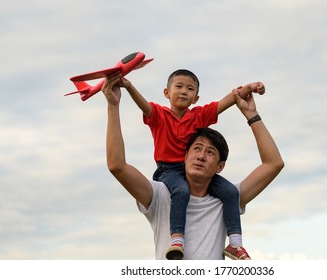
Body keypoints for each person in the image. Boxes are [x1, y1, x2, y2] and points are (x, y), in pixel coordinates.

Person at [103, 73, 284, 260]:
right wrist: (113, 105)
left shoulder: (226, 198)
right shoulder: (160, 195)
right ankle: (177, 239)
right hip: (167, 174)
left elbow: (274, 164)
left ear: (220, 166)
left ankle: (236, 245)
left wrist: (252, 114)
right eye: (196, 148)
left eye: (210, 152)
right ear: (186, 155)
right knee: (180, 191)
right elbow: (117, 165)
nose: (201, 156)